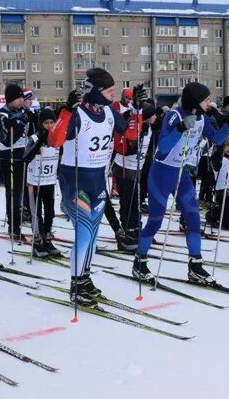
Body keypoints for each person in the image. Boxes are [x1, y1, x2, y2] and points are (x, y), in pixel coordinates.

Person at [48, 68, 140, 305]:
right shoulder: (76, 113)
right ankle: (76, 284)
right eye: (109, 91)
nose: (113, 95)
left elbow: (129, 136)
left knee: (93, 233)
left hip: (98, 179)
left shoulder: (109, 111)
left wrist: (137, 111)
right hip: (74, 179)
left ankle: (84, 278)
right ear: (97, 91)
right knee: (85, 230)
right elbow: (54, 141)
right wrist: (67, 110)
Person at [132, 82, 229, 284]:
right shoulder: (174, 116)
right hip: (161, 174)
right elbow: (162, 148)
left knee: (194, 220)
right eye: (205, 99)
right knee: (155, 221)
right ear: (195, 100)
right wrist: (179, 129)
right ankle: (139, 262)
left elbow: (217, 139)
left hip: (181, 174)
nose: (209, 102)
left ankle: (195, 265)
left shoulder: (203, 118)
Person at [111, 99, 156, 251]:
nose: (155, 118)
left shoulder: (148, 127)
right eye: (153, 115)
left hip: (137, 168)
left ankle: (136, 227)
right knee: (128, 201)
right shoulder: (136, 128)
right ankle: (128, 228)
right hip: (124, 169)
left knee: (136, 201)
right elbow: (127, 147)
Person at [0, 84, 33, 242]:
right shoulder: (2, 114)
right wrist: (21, 123)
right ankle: (14, 228)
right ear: (10, 99)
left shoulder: (22, 112)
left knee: (22, 193)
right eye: (17, 98)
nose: (21, 101)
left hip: (23, 155)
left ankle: (23, 223)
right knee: (13, 194)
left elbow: (31, 133)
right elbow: (9, 139)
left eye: (21, 98)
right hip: (9, 157)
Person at [24, 108, 62, 258]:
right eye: (46, 123)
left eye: (52, 123)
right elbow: (26, 157)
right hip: (34, 182)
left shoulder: (57, 139)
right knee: (36, 213)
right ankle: (37, 239)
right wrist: (38, 145)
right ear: (41, 124)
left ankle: (46, 237)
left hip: (49, 180)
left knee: (50, 212)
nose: (49, 126)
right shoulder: (34, 138)